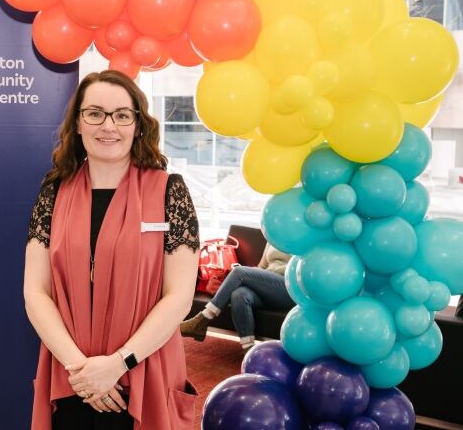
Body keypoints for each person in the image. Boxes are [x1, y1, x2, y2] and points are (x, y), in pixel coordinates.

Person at [24, 70, 200, 430]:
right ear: (77, 123)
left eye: (122, 115)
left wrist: (118, 363)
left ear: (138, 124)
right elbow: (35, 292)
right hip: (71, 376)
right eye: (95, 113)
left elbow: (179, 298)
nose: (109, 126)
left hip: (144, 368)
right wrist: (82, 372)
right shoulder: (54, 191)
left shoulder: (170, 191)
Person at [179, 242, 294, 351]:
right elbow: (262, 267)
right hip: (266, 285)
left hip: (289, 287)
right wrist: (243, 276)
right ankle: (248, 348)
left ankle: (203, 319)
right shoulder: (273, 233)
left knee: (239, 272)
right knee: (239, 294)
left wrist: (243, 274)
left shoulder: (303, 233)